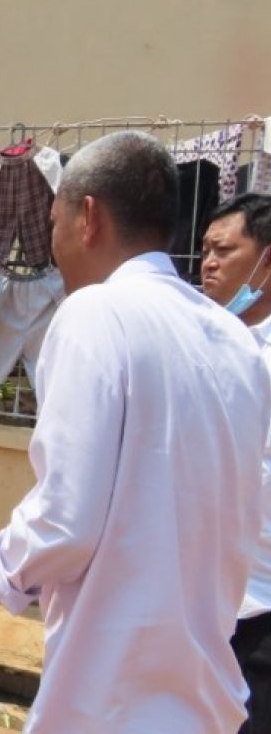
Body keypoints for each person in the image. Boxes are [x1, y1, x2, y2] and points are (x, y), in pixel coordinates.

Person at [0, 131, 271, 732]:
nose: (50, 239)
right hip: (207, 702)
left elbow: (66, 518)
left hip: (112, 702)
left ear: (87, 218)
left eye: (52, 217)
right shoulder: (233, 343)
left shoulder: (95, 313)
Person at [201, 192, 271, 734]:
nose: (208, 263)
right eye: (205, 249)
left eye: (224, 250)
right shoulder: (214, 343)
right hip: (209, 596)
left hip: (261, 604)